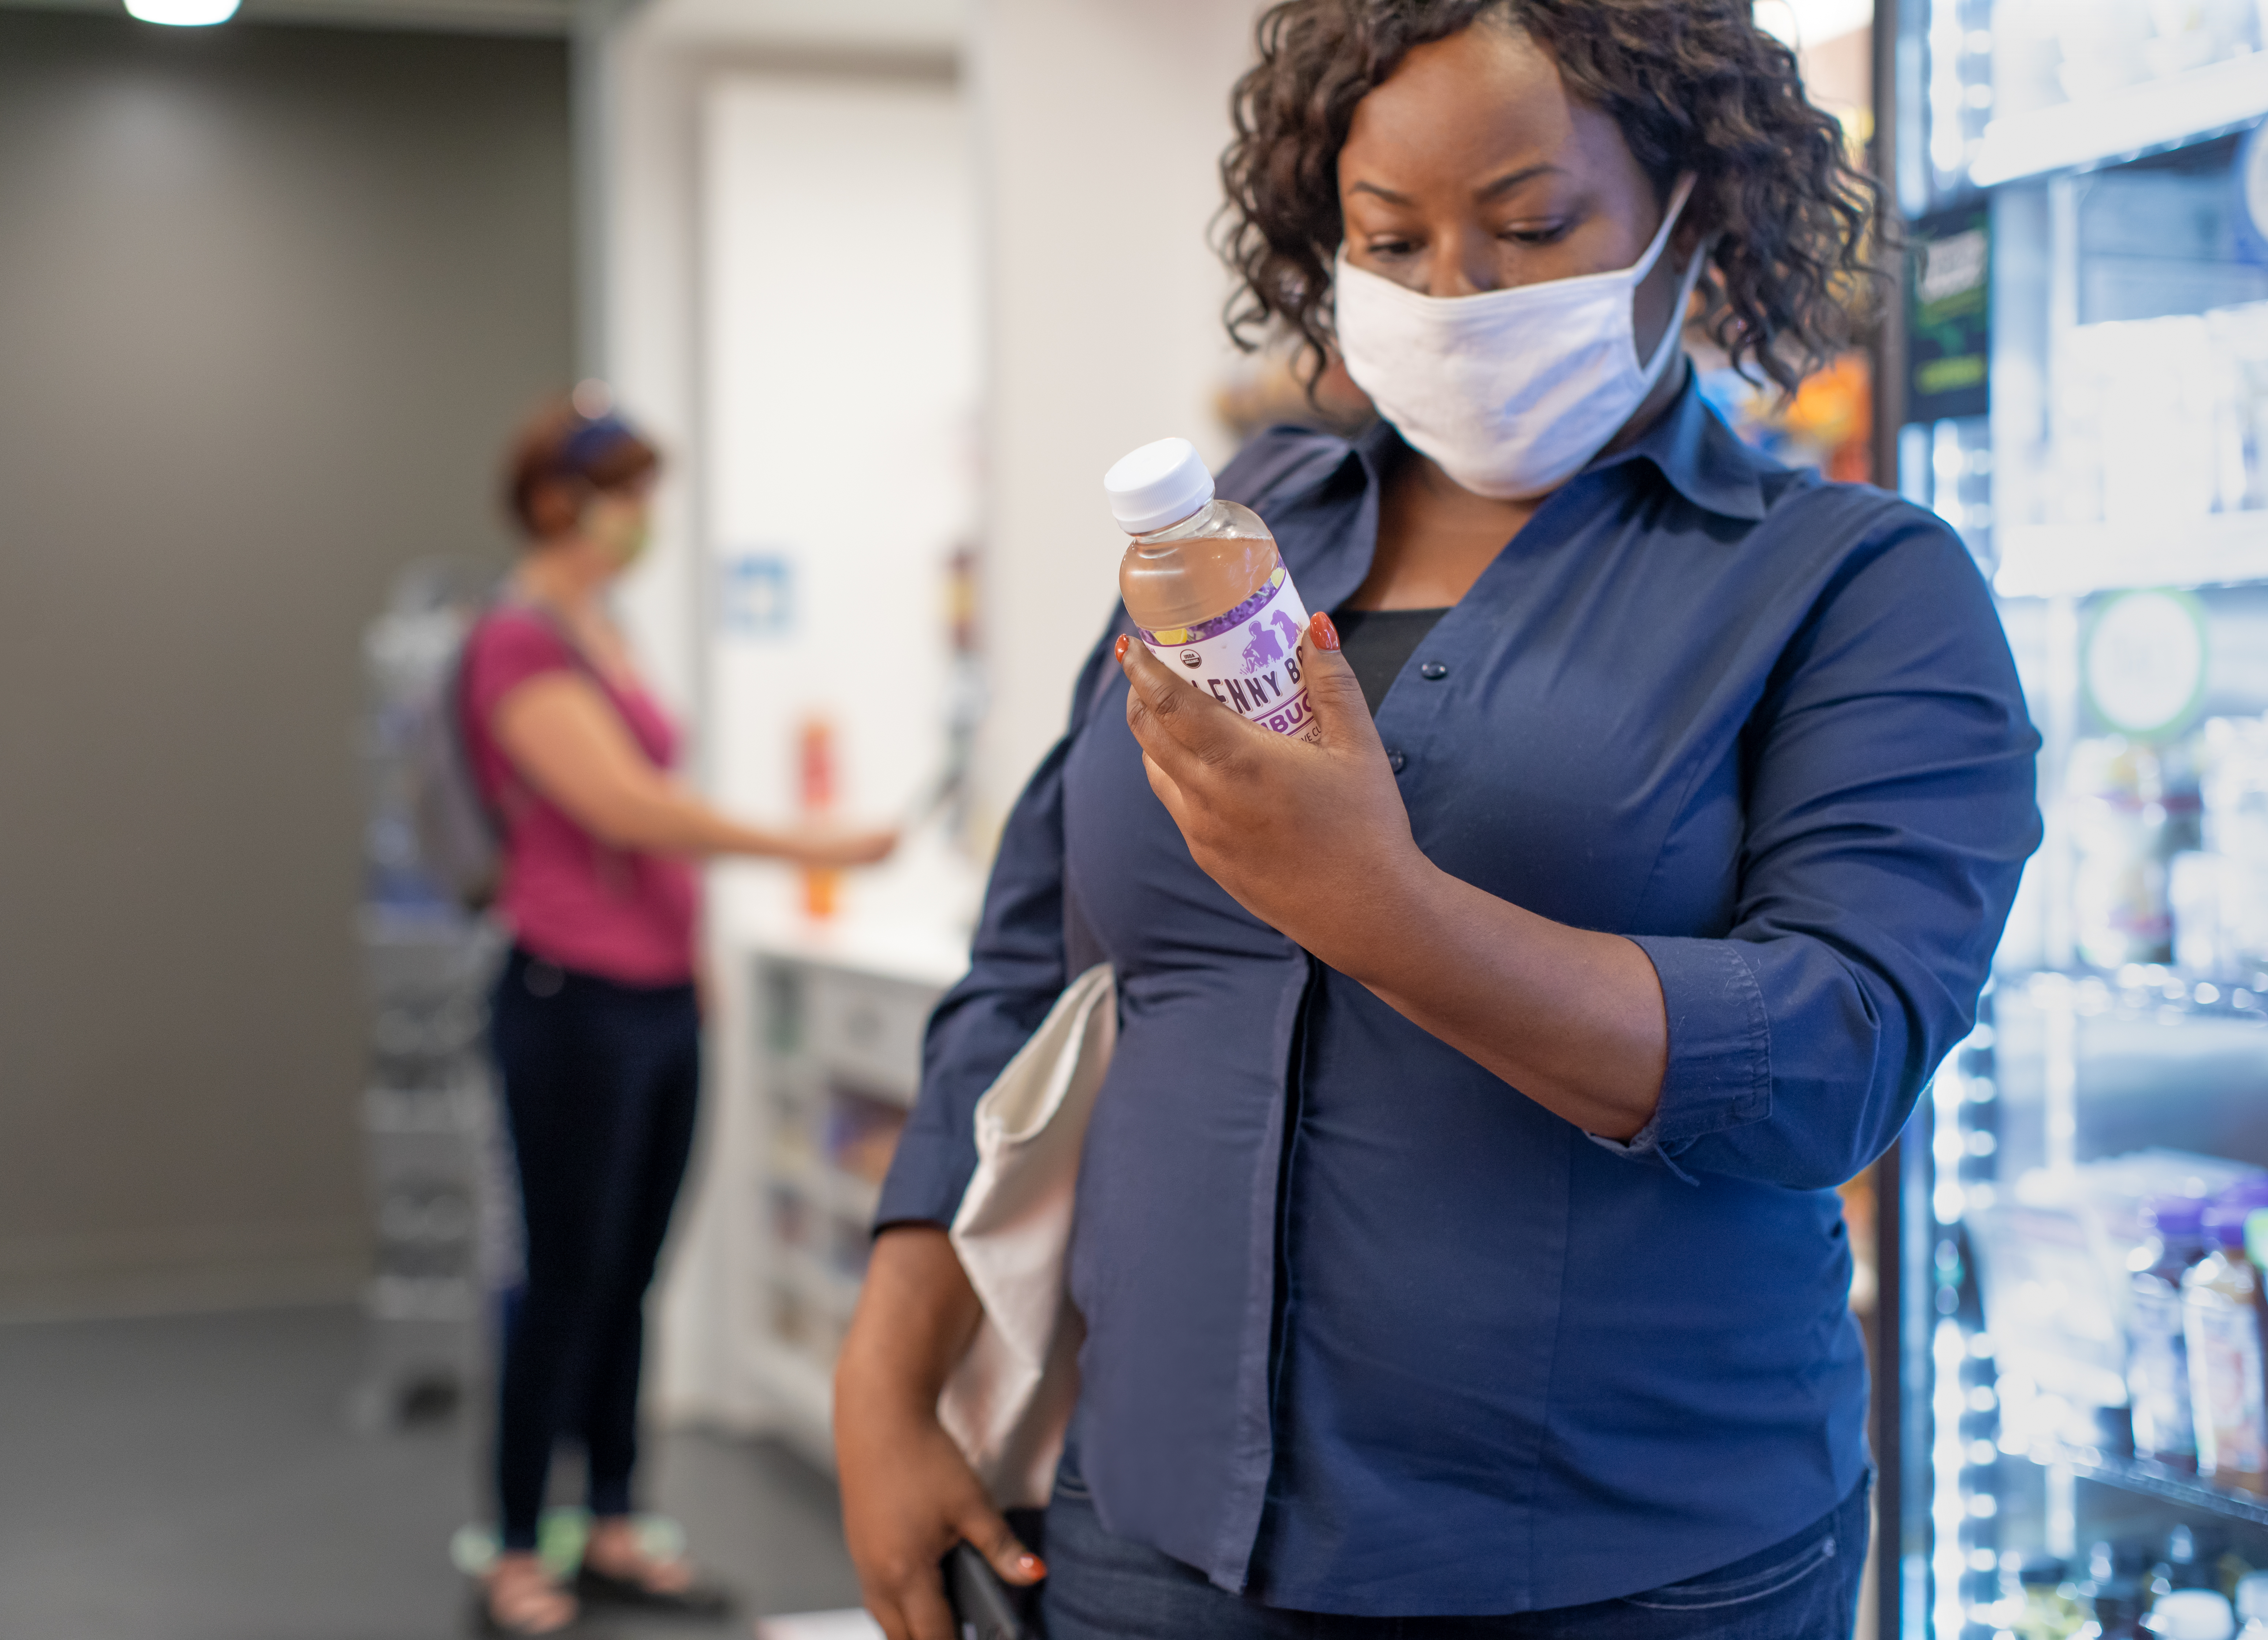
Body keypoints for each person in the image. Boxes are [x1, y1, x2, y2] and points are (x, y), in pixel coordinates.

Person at [837, 4, 2041, 1639]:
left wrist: (1384, 910)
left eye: (1531, 226)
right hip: (1146, 1539)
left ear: (1692, 207)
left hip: (1619, 1573)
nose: (1452, 296)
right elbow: (1028, 970)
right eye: (1387, 240)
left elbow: (1833, 1057)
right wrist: (884, 1375)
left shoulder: (1852, 584)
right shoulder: (1238, 533)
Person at [470, 394, 896, 1635]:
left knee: (633, 1276)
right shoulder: (521, 641)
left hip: (657, 1000)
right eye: (629, 492)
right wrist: (806, 841)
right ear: (562, 499)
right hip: (569, 1001)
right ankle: (511, 1546)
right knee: (565, 1276)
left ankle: (612, 1520)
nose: (645, 517)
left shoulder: (605, 628)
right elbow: (625, 810)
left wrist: (689, 950)